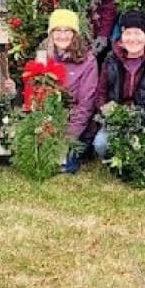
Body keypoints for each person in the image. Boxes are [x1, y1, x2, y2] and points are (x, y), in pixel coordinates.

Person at [93, 12, 145, 158]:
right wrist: (105, 109)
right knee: (101, 144)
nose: (132, 39)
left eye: (137, 33)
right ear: (121, 38)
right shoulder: (111, 60)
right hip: (119, 122)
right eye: (128, 33)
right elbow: (101, 94)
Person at [36, 9, 99, 172]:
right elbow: (35, 92)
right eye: (57, 30)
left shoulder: (88, 61)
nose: (62, 35)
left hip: (75, 124)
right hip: (49, 121)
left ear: (75, 34)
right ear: (51, 33)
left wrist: (69, 136)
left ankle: (73, 152)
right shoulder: (42, 56)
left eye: (67, 30)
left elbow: (86, 105)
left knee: (66, 165)